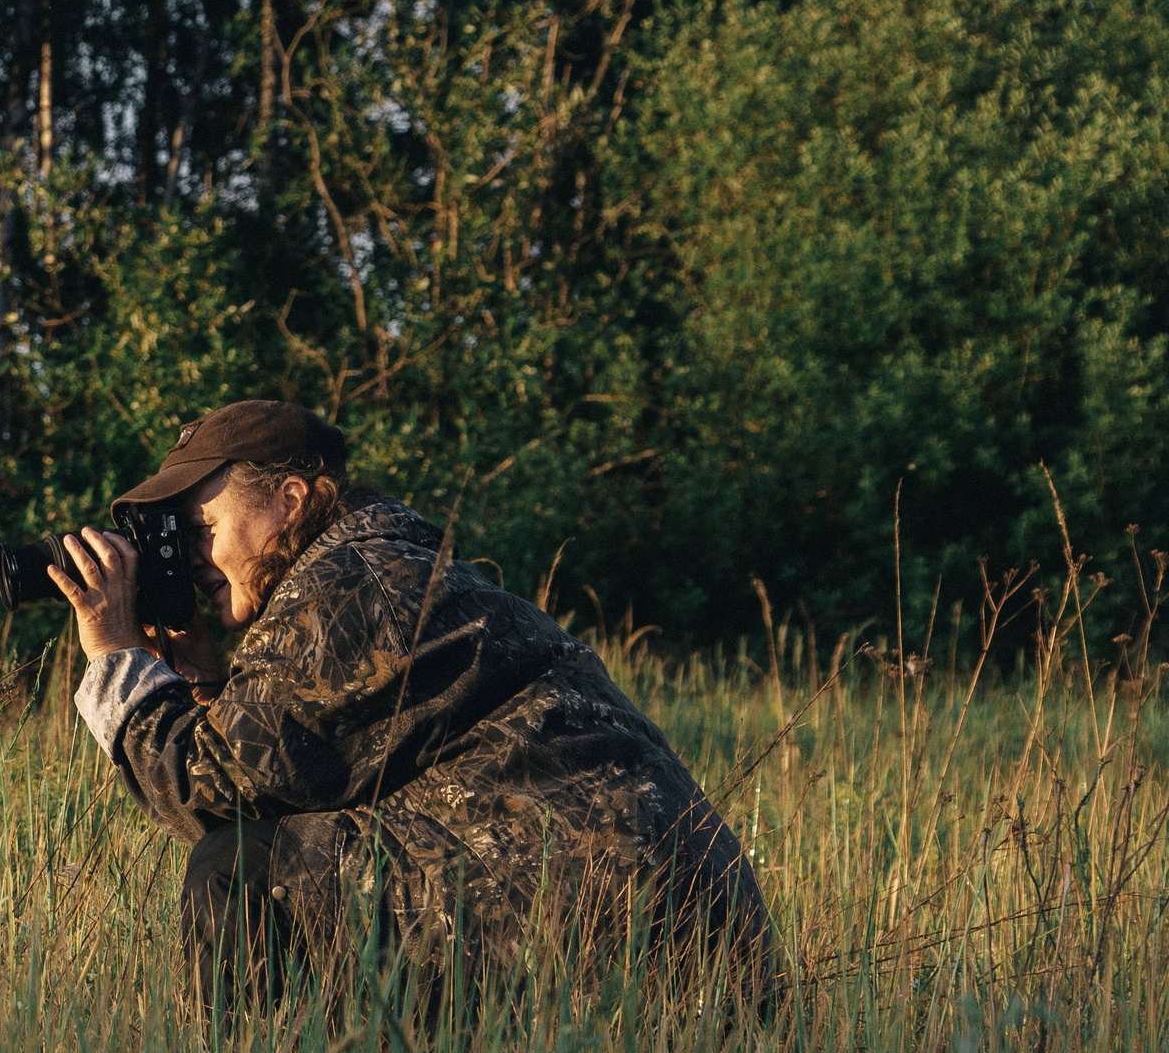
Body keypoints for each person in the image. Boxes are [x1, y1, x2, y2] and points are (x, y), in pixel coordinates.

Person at [47, 399, 775, 1012]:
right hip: (671, 929)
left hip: (611, 929)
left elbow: (211, 797)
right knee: (285, 849)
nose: (194, 558)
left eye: (203, 531)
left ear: (289, 502)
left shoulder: (347, 584)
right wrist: (202, 683)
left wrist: (117, 656)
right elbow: (274, 785)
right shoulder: (384, 564)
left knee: (245, 871)